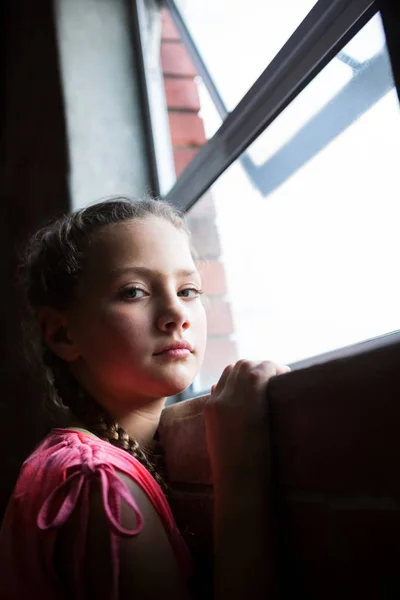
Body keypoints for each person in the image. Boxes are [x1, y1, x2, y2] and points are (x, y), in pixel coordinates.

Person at [0, 197, 289, 599]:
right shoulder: (96, 482)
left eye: (188, 290)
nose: (176, 312)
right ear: (63, 334)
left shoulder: (109, 461)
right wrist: (239, 467)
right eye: (134, 292)